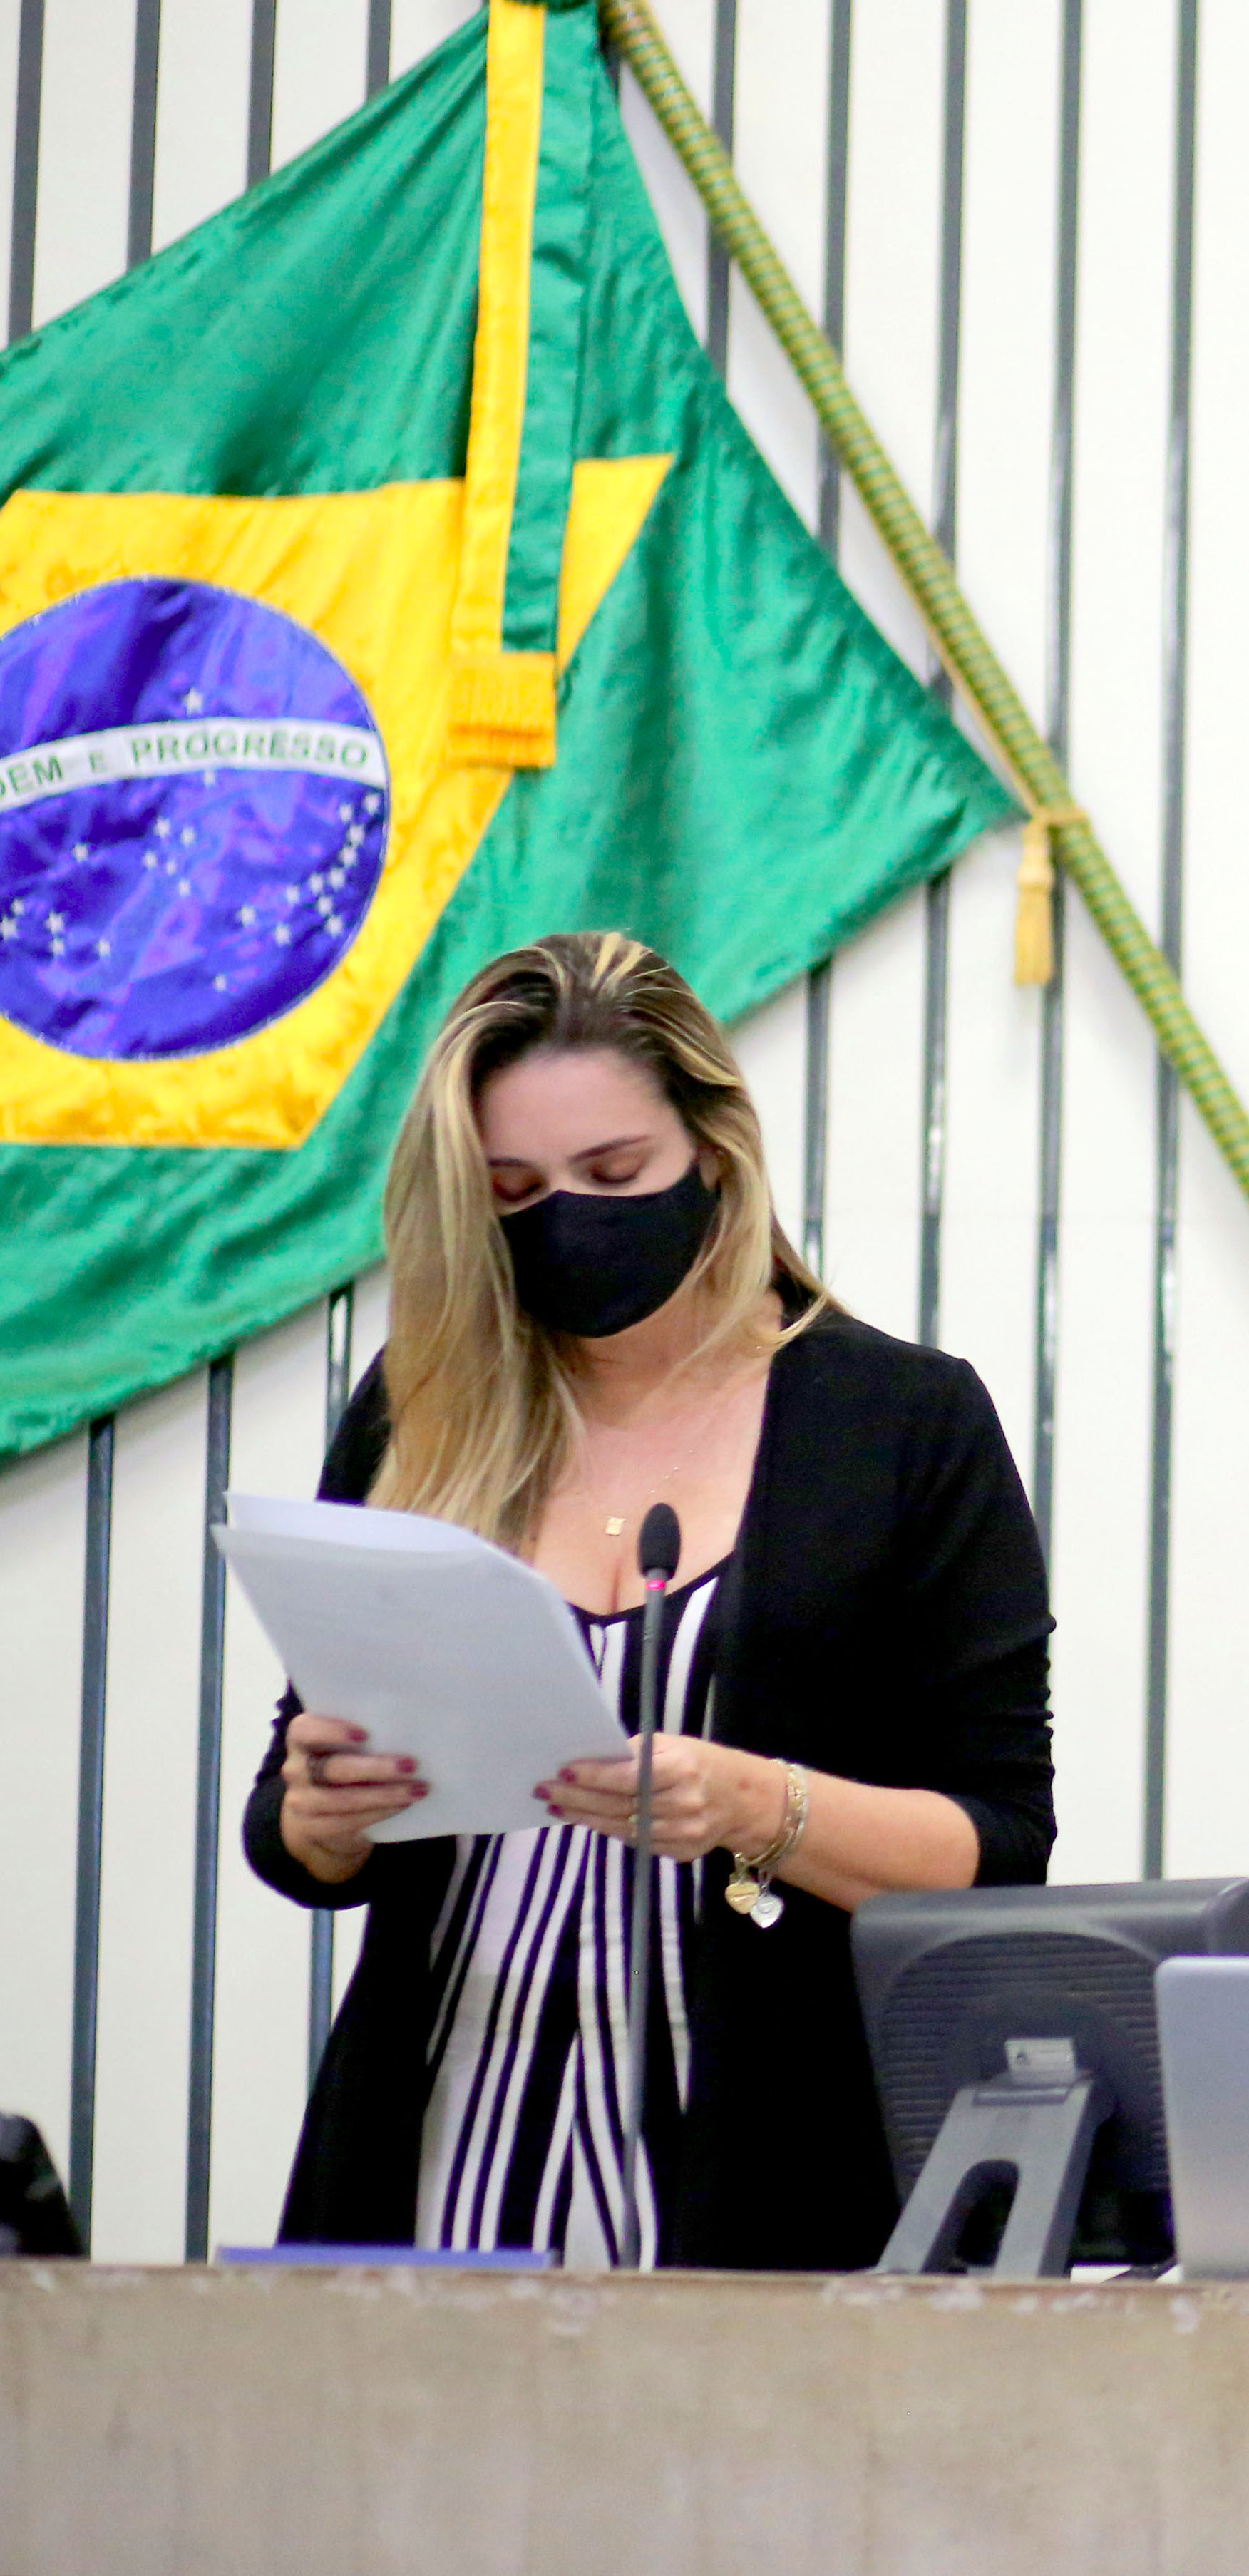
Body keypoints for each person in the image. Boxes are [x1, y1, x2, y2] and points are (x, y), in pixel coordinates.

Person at [244, 932, 1053, 2271]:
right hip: (431, 2158)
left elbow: (1002, 1842)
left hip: (766, 2183)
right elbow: (297, 1829)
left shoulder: (901, 1422)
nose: (567, 1219)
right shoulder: (420, 1405)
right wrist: (318, 1817)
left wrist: (758, 1804)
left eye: (614, 1174)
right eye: (513, 1191)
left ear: (715, 1151)